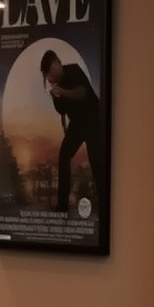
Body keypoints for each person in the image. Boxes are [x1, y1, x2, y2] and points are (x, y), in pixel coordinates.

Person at [39, 49, 103, 213]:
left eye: (53, 70)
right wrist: (57, 97)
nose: (52, 76)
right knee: (64, 155)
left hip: (94, 118)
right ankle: (62, 206)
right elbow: (62, 111)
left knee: (96, 160)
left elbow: (82, 93)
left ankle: (104, 203)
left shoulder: (73, 70)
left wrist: (62, 92)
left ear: (58, 63)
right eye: (49, 75)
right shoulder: (56, 87)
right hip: (77, 123)